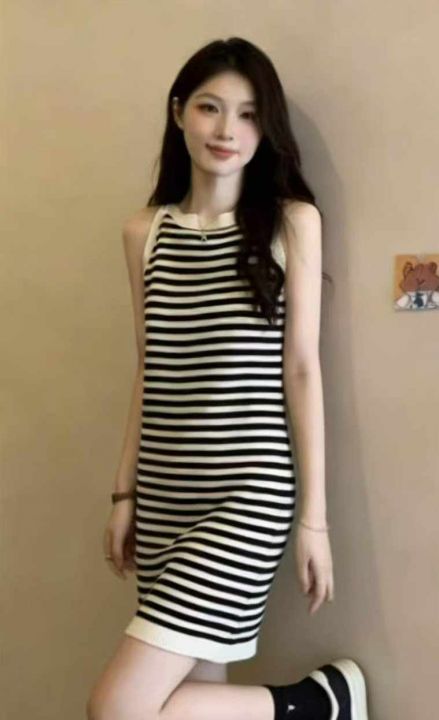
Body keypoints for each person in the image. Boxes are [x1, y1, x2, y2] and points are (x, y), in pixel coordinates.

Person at [87, 37, 369, 720]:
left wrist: (313, 520)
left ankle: (315, 704)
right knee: (188, 705)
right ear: (178, 112)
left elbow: (301, 369)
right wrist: (124, 494)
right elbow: (151, 368)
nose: (226, 130)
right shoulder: (144, 233)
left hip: (246, 494)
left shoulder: (291, 224)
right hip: (164, 496)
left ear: (265, 129)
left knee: (117, 708)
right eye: (210, 107)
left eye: (247, 114)